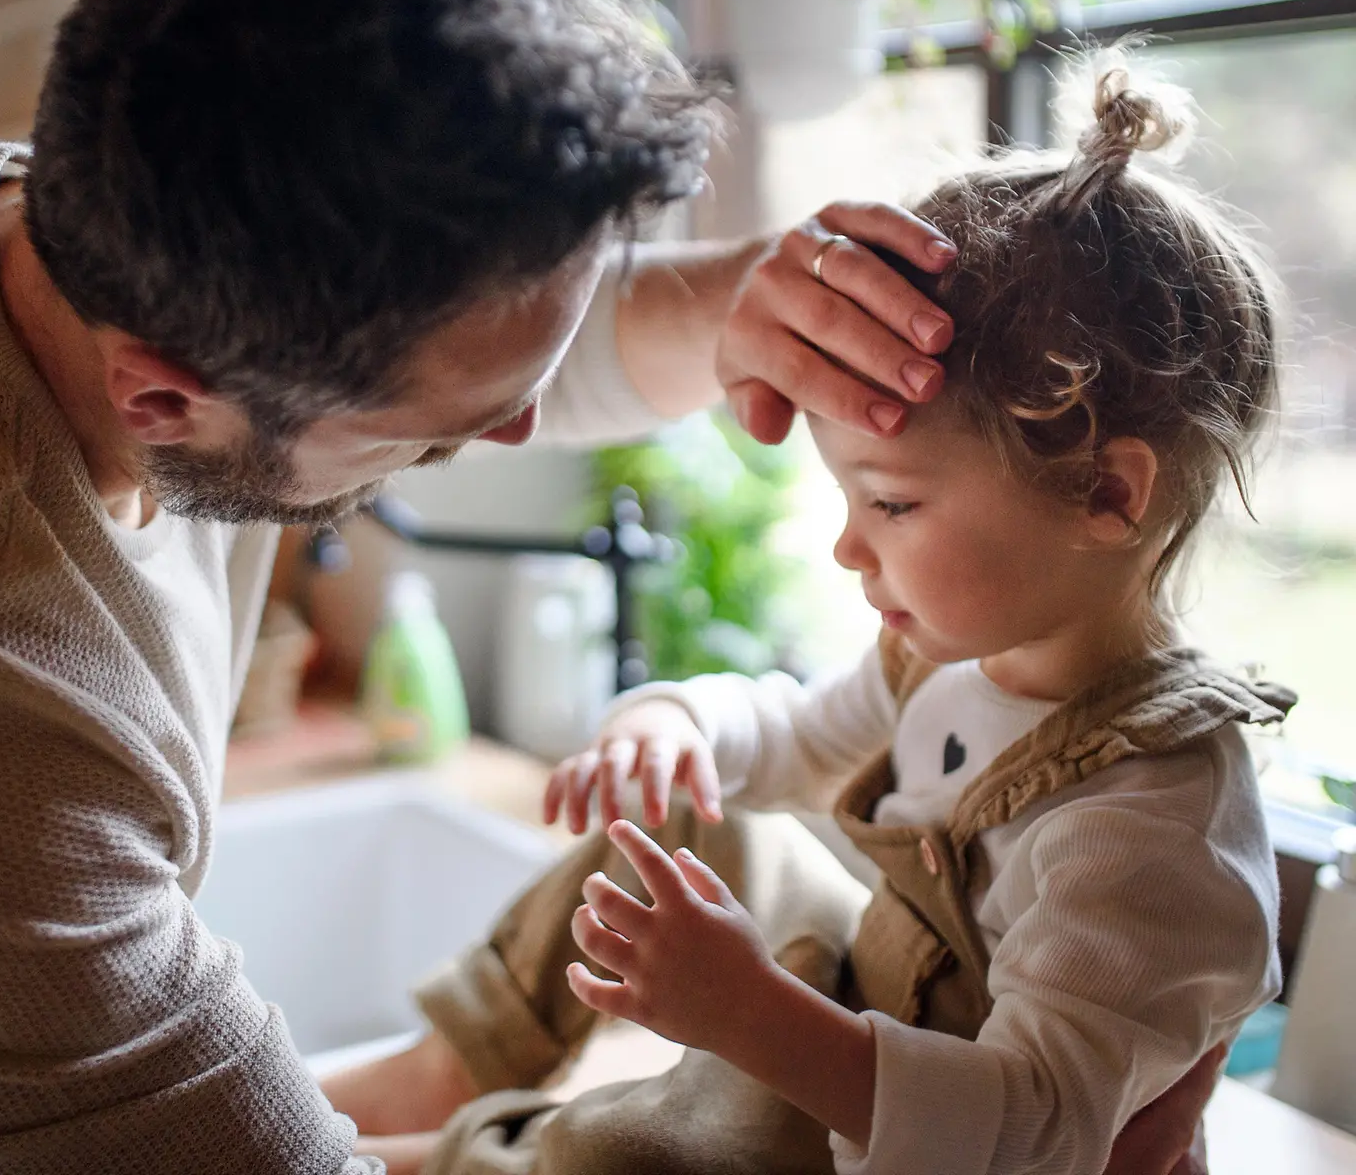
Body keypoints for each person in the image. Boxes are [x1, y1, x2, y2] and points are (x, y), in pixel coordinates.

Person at [0, 0, 965, 1174]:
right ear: (164, 397)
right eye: (443, 436)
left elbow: (500, 345)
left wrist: (749, 295)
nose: (523, 426)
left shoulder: (52, 224)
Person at [338, 59, 1291, 1175]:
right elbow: (793, 739)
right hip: (867, 1010)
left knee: (627, 1154)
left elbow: (1033, 1132)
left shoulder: (1150, 834)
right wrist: (685, 724)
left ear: (1106, 494)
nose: (849, 546)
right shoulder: (952, 661)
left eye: (890, 503)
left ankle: (449, 1158)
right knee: (694, 823)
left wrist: (748, 1016)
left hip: (905, 1143)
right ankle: (444, 1068)